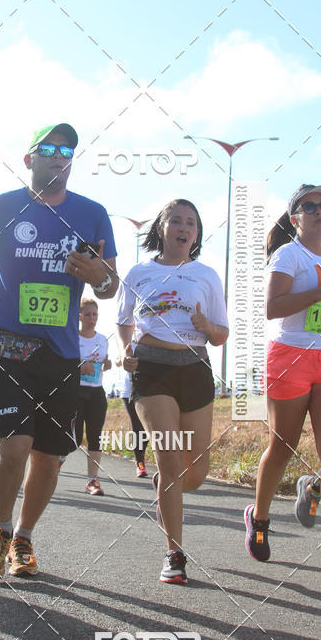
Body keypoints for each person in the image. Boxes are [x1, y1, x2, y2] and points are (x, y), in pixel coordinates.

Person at [0, 122, 118, 577]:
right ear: (30, 158)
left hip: (61, 355)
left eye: (68, 150)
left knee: (49, 456)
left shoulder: (93, 213)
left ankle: (23, 537)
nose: (60, 155)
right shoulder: (3, 207)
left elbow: (109, 285)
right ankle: (1, 528)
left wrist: (97, 275)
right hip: (7, 347)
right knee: (16, 444)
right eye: (49, 148)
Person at [116, 199, 228, 585]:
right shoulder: (138, 272)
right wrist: (125, 352)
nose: (184, 228)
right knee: (168, 459)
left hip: (195, 367)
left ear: (196, 234)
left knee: (195, 472)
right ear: (162, 228)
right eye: (176, 221)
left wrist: (206, 324)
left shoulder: (208, 275)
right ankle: (174, 554)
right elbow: (124, 321)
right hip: (151, 370)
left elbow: (222, 335)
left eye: (191, 223)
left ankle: (164, 487)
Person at [244, 185, 321, 575]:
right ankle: (259, 517)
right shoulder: (288, 254)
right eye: (310, 206)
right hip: (291, 355)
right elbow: (272, 308)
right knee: (282, 446)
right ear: (295, 217)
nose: (320, 211)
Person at [75, 297, 111, 495]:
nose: (92, 318)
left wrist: (108, 362)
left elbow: (103, 359)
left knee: (95, 436)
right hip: (76, 391)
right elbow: (63, 365)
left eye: (94, 314)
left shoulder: (102, 339)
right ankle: (53, 468)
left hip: (97, 391)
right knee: (74, 438)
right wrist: (79, 367)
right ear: (79, 316)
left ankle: (92, 481)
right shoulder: (73, 338)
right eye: (87, 314)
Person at [122, 370, 148, 477]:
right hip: (130, 390)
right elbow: (120, 360)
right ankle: (140, 463)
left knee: (149, 428)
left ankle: (142, 457)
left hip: (151, 390)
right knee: (138, 427)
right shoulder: (126, 351)